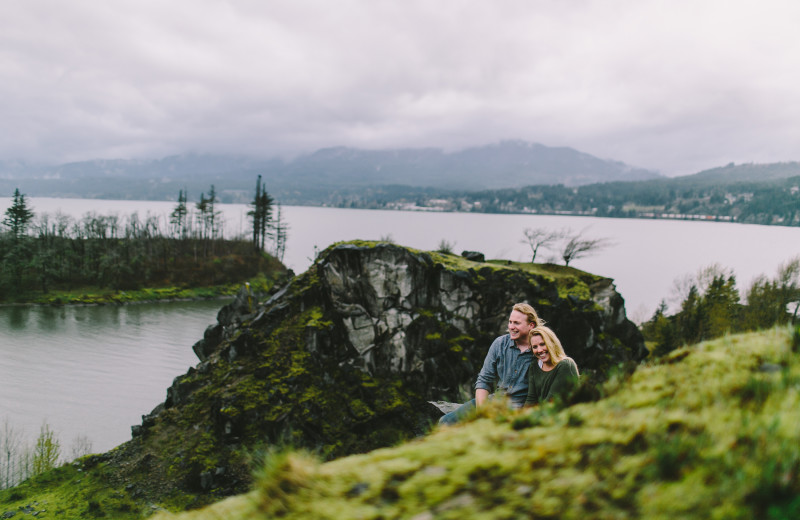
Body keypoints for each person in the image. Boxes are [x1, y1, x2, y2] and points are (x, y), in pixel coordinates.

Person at [439, 303, 542, 425]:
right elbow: (484, 379)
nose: (511, 327)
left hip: (521, 409)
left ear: (531, 325)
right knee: (445, 422)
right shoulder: (500, 344)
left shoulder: (541, 349)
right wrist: (482, 411)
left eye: (517, 323)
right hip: (494, 402)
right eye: (510, 322)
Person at [524, 325, 579, 407]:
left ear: (552, 343)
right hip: (542, 415)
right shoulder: (534, 366)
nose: (539, 350)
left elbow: (550, 402)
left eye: (542, 344)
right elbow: (531, 399)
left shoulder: (565, 365)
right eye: (535, 347)